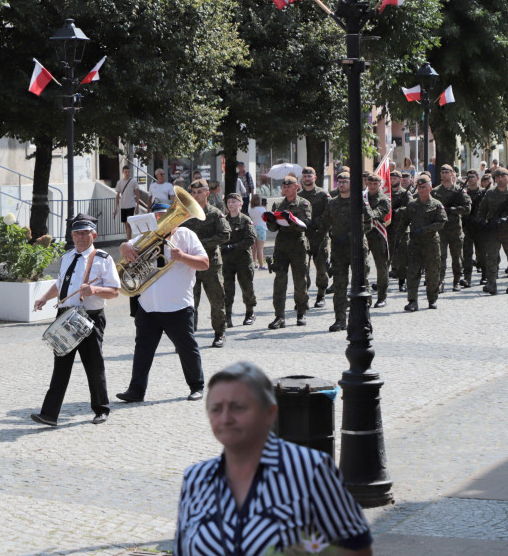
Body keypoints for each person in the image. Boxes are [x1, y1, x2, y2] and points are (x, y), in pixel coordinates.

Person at [175, 362, 373, 556]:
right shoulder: (196, 478)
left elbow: (358, 547)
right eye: (216, 408)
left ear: (269, 413)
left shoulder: (310, 469)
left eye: (238, 407)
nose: (226, 418)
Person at [116, 199, 209, 403]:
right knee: (142, 351)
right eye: (157, 216)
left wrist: (183, 256)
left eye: (164, 215)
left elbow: (204, 263)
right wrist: (124, 247)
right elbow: (125, 250)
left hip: (178, 306)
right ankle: (136, 390)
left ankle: (197, 386)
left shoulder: (187, 235)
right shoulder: (145, 236)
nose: (161, 219)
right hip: (148, 307)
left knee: (187, 348)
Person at [31, 215, 120, 426]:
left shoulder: (103, 259)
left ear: (94, 235)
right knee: (61, 365)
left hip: (89, 317)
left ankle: (101, 409)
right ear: (72, 235)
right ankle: (49, 414)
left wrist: (94, 290)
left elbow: (115, 292)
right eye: (77, 233)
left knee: (94, 365)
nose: (81, 237)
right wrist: (45, 297)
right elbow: (61, 284)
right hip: (65, 315)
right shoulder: (68, 256)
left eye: (85, 233)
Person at [182, 180, 230, 348]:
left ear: (207, 193)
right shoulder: (186, 214)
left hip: (211, 264)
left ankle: (219, 333)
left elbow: (225, 234)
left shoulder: (215, 213)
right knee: (189, 302)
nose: (196, 195)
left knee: (216, 300)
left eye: (200, 192)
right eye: (193, 193)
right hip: (191, 265)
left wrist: (200, 244)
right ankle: (187, 337)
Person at [321, 173, 371, 332]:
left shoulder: (359, 202)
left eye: (345, 182)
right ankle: (340, 319)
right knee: (339, 285)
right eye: (339, 182)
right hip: (338, 249)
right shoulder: (332, 203)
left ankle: (363, 319)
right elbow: (324, 223)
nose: (341, 185)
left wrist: (351, 235)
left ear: (352, 183)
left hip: (356, 249)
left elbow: (369, 224)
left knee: (361, 284)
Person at [265, 176, 312, 329]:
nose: (286, 188)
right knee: (279, 282)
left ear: (296, 187)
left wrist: (291, 220)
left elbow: (305, 225)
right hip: (281, 247)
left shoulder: (304, 203)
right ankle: (279, 316)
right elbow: (273, 229)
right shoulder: (278, 205)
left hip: (298, 246)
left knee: (300, 281)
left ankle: (301, 312)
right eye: (284, 186)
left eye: (289, 186)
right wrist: (271, 220)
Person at [399, 174, 447, 311]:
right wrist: (400, 237)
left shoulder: (437, 204)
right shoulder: (412, 205)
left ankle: (432, 299)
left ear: (430, 188)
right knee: (412, 272)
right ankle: (412, 301)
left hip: (431, 243)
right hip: (415, 244)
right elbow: (403, 222)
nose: (421, 190)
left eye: (424, 187)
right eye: (419, 187)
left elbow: (441, 222)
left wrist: (424, 230)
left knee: (432, 273)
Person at [432, 164, 471, 292]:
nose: (444, 174)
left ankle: (456, 281)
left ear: (452, 174)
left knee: (457, 257)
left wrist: (452, 210)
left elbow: (467, 208)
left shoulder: (459, 191)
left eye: (447, 172)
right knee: (440, 256)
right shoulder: (435, 191)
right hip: (441, 229)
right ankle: (440, 281)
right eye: (442, 172)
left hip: (455, 229)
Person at [221, 194, 256, 328]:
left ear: (240, 204)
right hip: (227, 261)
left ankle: (250, 313)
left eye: (234, 202)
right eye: (229, 202)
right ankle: (227, 316)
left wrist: (233, 246)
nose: (231, 204)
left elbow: (251, 239)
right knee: (227, 290)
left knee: (247, 287)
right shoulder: (223, 220)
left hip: (243, 260)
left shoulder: (246, 220)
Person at [298, 167, 330, 308]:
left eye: (309, 176)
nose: (307, 178)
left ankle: (321, 295)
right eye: (305, 176)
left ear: (315, 178)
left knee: (321, 268)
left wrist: (316, 223)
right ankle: (303, 297)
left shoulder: (323, 194)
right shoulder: (298, 195)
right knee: (302, 268)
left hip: (320, 235)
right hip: (304, 236)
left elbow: (328, 214)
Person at [364, 172, 392, 307]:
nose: (372, 186)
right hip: (364, 235)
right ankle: (366, 296)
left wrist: (366, 209)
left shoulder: (383, 199)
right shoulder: (362, 197)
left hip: (377, 235)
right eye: (370, 184)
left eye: (375, 184)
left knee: (382, 268)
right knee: (362, 267)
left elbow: (378, 213)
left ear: (380, 185)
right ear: (367, 184)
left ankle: (382, 297)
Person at [479, 167, 508, 294]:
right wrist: (482, 221)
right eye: (497, 177)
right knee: (491, 257)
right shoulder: (490, 193)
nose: (500, 179)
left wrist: (506, 219)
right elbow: (482, 209)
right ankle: (491, 284)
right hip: (493, 231)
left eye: (503, 177)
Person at [463, 169, 487, 287]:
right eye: (468, 177)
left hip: (480, 227)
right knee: (467, 253)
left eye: (472, 177)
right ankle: (467, 278)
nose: (470, 179)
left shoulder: (484, 192)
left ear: (478, 178)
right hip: (467, 226)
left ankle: (484, 276)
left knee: (482, 253)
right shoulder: (463, 192)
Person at [388, 170, 411, 292]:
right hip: (388, 229)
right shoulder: (386, 194)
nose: (393, 180)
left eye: (395, 178)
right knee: (386, 256)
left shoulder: (405, 194)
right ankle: (383, 282)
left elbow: (410, 209)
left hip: (402, 229)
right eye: (391, 178)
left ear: (400, 180)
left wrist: (397, 211)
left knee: (402, 258)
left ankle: (402, 281)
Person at [114, 166, 141, 239]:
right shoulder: (119, 182)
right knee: (125, 224)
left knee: (128, 224)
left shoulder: (133, 181)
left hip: (131, 205)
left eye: (128, 172)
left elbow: (137, 193)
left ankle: (128, 241)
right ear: (123, 172)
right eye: (126, 172)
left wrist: (137, 206)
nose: (127, 173)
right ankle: (129, 238)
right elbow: (117, 195)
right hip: (123, 206)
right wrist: (116, 208)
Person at [249, 196, 268, 270]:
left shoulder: (251, 210)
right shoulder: (262, 209)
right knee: (260, 248)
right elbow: (266, 217)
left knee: (254, 248)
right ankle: (261, 264)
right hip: (261, 228)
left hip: (253, 228)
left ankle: (254, 264)